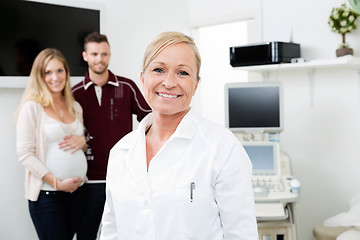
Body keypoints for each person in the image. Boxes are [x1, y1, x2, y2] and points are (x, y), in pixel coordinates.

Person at [100, 31, 258, 239]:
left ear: (196, 84)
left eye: (182, 73)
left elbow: (241, 234)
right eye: (159, 70)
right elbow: (112, 230)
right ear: (142, 78)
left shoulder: (222, 147)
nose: (169, 82)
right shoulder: (121, 152)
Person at [72, 32, 151, 239]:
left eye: (104, 54)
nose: (100, 59)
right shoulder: (75, 93)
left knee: (126, 233)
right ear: (85, 56)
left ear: (109, 55)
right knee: (87, 234)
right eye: (95, 54)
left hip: (124, 177)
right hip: (89, 181)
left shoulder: (126, 86)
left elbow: (150, 119)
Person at [15, 48, 87, 240]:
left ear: (66, 72)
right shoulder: (32, 107)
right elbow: (25, 154)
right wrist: (56, 183)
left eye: (59, 71)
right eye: (48, 72)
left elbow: (80, 147)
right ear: (40, 76)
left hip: (77, 192)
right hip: (48, 196)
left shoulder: (75, 106)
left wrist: (83, 142)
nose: (55, 77)